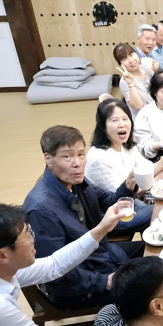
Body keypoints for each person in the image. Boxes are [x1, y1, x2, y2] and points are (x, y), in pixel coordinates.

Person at [0, 203, 124, 326]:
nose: (33, 239)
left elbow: (54, 265)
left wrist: (101, 229)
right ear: (3, 255)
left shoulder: (2, 270)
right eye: (27, 234)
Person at [22, 125, 146, 308]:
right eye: (67, 156)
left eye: (81, 154)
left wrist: (129, 183)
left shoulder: (76, 181)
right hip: (80, 288)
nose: (77, 163)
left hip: (101, 256)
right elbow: (56, 274)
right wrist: (104, 281)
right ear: (48, 158)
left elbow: (110, 200)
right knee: (148, 291)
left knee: (151, 250)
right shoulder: (41, 210)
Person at [85, 99, 163, 231]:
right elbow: (120, 197)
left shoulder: (126, 145)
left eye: (125, 118)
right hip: (109, 216)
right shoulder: (98, 157)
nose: (122, 124)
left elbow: (146, 170)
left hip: (130, 202)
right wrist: (156, 179)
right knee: (162, 211)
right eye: (114, 120)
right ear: (103, 126)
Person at [113, 42, 154, 120]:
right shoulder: (124, 81)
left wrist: (156, 72)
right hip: (144, 120)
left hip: (159, 113)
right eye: (125, 59)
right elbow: (138, 106)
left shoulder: (146, 68)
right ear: (120, 64)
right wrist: (131, 84)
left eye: (131, 55)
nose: (131, 60)